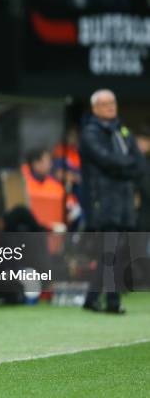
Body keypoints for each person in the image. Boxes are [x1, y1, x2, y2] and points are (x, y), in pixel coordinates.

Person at [80, 89, 145, 314]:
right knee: (111, 251)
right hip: (105, 201)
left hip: (125, 199)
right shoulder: (90, 132)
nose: (110, 107)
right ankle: (112, 302)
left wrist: (127, 165)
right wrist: (128, 165)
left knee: (117, 251)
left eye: (112, 102)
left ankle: (91, 299)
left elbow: (138, 162)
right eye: (105, 103)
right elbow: (108, 161)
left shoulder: (121, 130)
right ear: (95, 108)